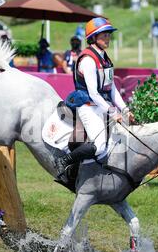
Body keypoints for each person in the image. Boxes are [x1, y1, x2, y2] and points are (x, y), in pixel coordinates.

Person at [54, 17, 135, 184]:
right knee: (99, 147)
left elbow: (110, 88)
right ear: (93, 38)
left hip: (101, 105)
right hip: (87, 106)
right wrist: (113, 112)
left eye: (108, 35)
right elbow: (94, 93)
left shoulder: (105, 57)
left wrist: (125, 109)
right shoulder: (89, 60)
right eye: (103, 35)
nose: (108, 38)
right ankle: (64, 161)